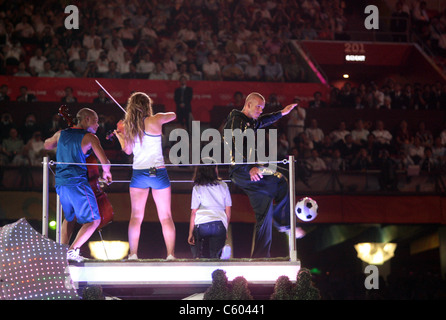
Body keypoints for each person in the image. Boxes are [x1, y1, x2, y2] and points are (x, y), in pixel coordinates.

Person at [223, 92, 305, 258]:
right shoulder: (236, 121)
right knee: (281, 180)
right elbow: (236, 145)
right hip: (241, 170)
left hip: (246, 171)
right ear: (248, 105)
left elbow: (264, 120)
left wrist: (282, 112)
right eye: (258, 107)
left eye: (262, 108)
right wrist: (250, 167)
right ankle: (285, 224)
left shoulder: (249, 121)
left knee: (265, 212)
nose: (260, 110)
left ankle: (261, 256)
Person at [44, 108, 112, 262]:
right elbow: (105, 162)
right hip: (77, 183)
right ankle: (73, 250)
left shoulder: (61, 134)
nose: (97, 125)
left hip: (61, 183)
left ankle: (61, 252)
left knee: (70, 217)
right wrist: (106, 173)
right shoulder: (90, 138)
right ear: (86, 119)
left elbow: (47, 145)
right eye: (95, 121)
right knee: (94, 220)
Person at [114, 92, 176, 260]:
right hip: (157, 172)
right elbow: (173, 115)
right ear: (147, 106)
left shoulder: (129, 126)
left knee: (136, 216)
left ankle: (133, 254)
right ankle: (170, 254)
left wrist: (120, 136)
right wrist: (158, 116)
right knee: (165, 216)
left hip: (139, 173)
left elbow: (127, 150)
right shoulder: (155, 120)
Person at [188, 159, 232, 259]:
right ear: (214, 170)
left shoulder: (197, 187)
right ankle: (220, 257)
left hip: (202, 224)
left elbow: (194, 212)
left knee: (198, 255)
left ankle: (199, 258)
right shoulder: (224, 186)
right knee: (215, 257)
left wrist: (191, 232)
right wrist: (225, 229)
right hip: (219, 224)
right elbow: (228, 211)